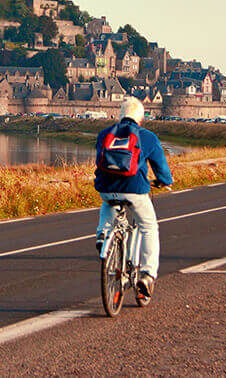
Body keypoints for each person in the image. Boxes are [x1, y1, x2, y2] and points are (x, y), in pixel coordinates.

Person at [94, 96, 173, 299]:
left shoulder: (104, 134)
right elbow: (162, 170)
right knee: (149, 227)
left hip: (106, 188)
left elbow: (99, 161)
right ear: (141, 118)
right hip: (134, 190)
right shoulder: (147, 137)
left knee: (108, 202)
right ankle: (147, 275)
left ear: (121, 115)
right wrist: (164, 181)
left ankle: (103, 235)